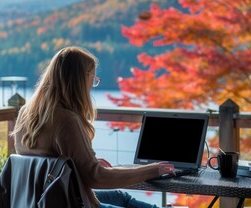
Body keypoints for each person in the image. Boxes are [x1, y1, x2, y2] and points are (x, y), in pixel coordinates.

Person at [11, 46, 175, 208]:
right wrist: (152, 170)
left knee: (119, 197)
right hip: (67, 201)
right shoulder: (67, 120)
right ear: (79, 80)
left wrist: (80, 164)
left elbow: (47, 160)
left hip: (43, 199)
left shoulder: (26, 113)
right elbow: (95, 177)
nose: (91, 85)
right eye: (93, 79)